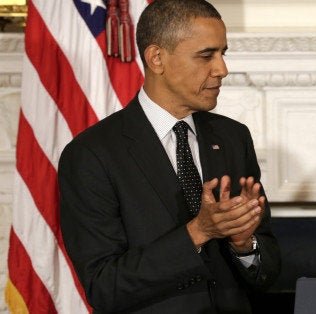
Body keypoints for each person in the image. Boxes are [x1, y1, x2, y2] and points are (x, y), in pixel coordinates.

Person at [58, 0, 280, 313]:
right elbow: (103, 286)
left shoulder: (232, 138)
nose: (222, 69)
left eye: (222, 53)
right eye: (206, 55)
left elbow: (267, 267)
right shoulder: (91, 155)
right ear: (157, 58)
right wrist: (198, 232)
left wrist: (245, 245)